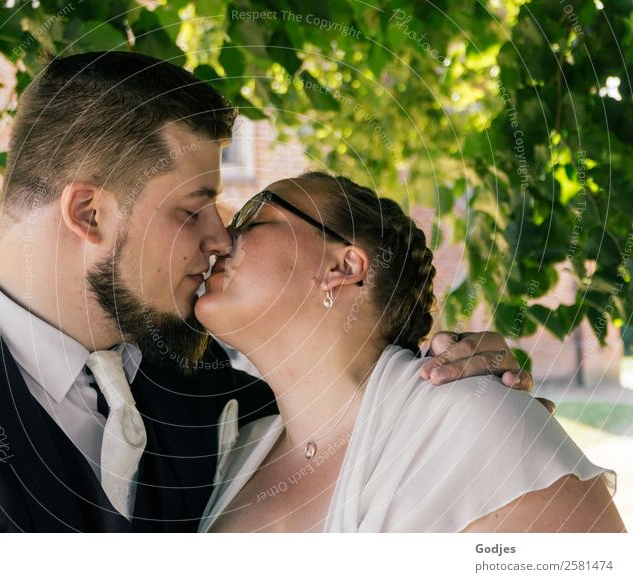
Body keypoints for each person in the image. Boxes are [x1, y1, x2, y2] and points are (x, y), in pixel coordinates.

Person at [0, 52, 536, 533]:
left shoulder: (233, 405)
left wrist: (465, 384)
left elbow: (364, 420)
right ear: (90, 215)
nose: (220, 239)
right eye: (192, 208)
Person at [196, 172, 625, 533]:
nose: (218, 239)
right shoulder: (233, 445)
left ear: (343, 267)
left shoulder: (477, 428)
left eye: (253, 216)